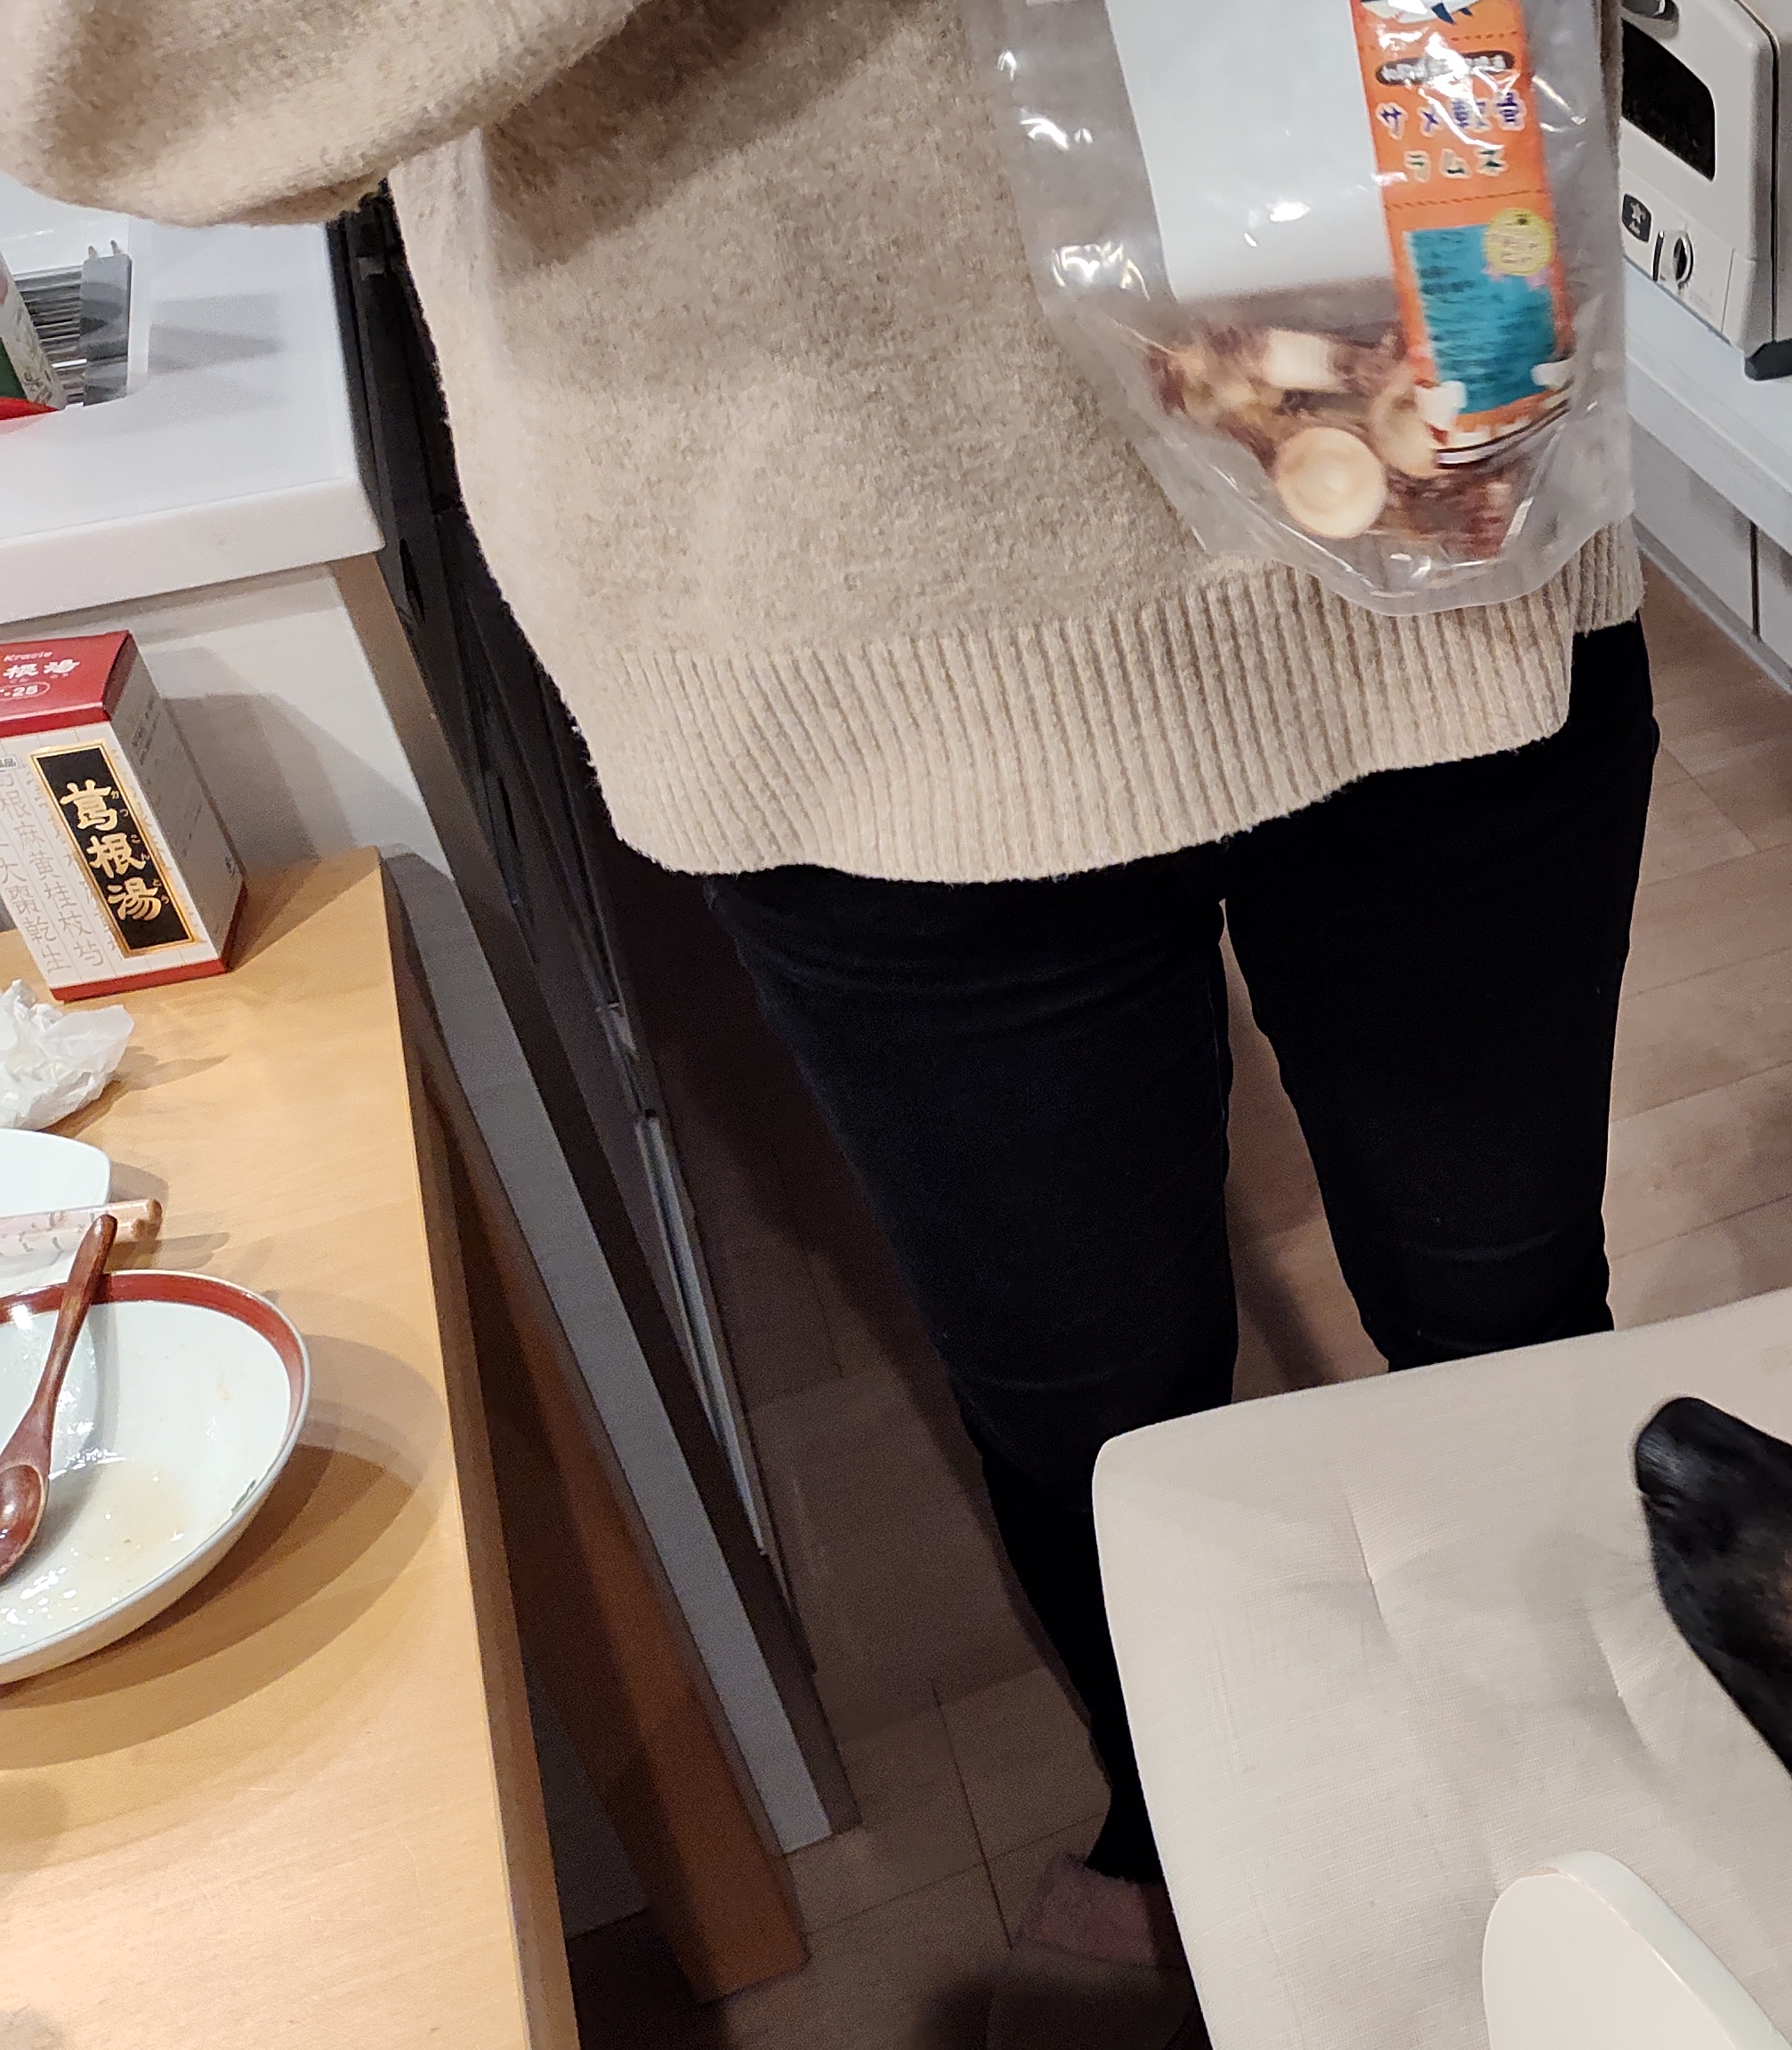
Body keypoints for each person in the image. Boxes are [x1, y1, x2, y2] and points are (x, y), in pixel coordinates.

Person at [1, 3, 1647, 2045]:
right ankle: (1190, 1815)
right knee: (1102, 1413)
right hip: (857, 601)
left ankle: (1575, 1765)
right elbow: (119, 90)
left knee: (1508, 1303)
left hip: (1438, 444)